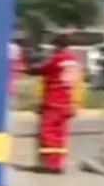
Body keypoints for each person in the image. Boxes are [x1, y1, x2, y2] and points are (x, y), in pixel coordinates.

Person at [29, 32, 79, 173]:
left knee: (48, 133)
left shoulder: (57, 60)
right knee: (61, 135)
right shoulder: (74, 61)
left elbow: (43, 70)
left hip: (53, 101)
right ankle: (59, 163)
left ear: (57, 45)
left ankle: (49, 164)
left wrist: (30, 69)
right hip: (67, 102)